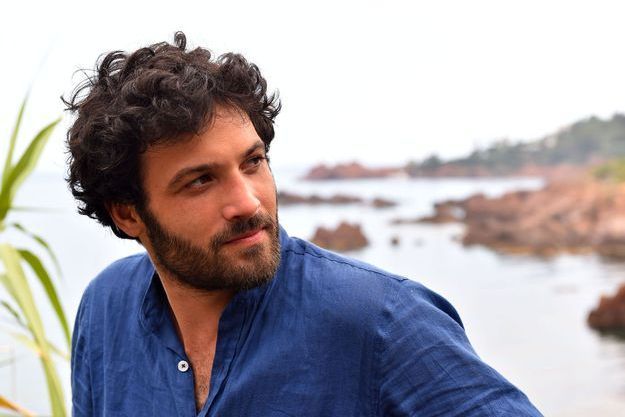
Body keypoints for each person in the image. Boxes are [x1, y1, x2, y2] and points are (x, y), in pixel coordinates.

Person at [65, 32, 542, 416]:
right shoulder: (106, 308)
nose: (247, 202)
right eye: (200, 181)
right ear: (127, 213)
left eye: (253, 162)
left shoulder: (383, 321)